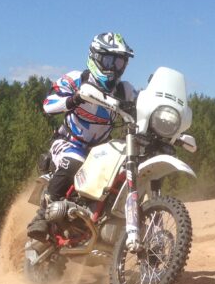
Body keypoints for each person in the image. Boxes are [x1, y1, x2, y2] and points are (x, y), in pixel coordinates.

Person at [27, 32, 136, 241]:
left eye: (120, 61)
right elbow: (48, 104)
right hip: (69, 142)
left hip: (100, 151)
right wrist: (73, 99)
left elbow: (144, 106)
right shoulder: (75, 79)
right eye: (108, 60)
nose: (114, 67)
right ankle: (40, 217)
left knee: (123, 173)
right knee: (74, 162)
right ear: (95, 57)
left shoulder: (124, 90)